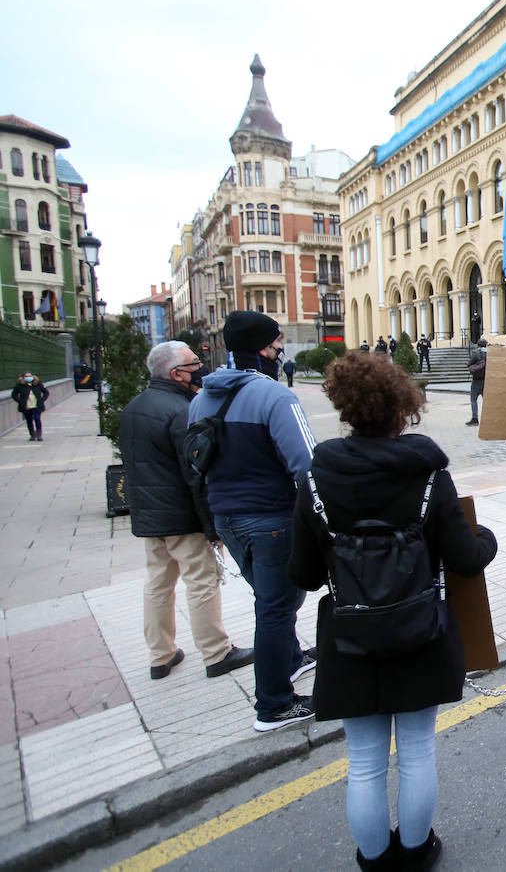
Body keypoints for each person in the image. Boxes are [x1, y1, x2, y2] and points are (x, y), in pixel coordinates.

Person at [290, 352, 497, 872]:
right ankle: (417, 850)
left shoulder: (316, 477)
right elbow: (467, 561)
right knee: (417, 751)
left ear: (344, 407)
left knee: (362, 764)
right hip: (418, 630)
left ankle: (375, 859)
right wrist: (486, 538)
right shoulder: (427, 473)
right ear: (401, 408)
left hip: (349, 634)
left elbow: (306, 575)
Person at [189, 310, 319, 732]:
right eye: (278, 344)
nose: (281, 352)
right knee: (277, 608)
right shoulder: (275, 396)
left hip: (227, 518)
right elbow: (307, 465)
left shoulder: (201, 397)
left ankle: (293, 660)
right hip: (272, 518)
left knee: (271, 599)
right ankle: (275, 705)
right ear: (265, 348)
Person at [120, 341, 254, 681]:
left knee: (158, 582)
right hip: (181, 514)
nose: (201, 366)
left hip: (149, 515)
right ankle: (216, 652)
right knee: (202, 580)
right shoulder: (182, 410)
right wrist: (212, 528)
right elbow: (194, 473)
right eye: (194, 362)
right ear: (177, 373)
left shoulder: (134, 407)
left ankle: (160, 655)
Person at [11, 372, 49, 441]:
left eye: (29, 376)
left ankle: (39, 434)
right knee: (29, 420)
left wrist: (42, 399)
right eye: (26, 376)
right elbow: (14, 394)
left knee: (37, 419)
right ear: (23, 378)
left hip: (36, 406)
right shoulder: (20, 385)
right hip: (26, 406)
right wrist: (20, 401)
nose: (28, 377)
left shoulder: (38, 384)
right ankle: (32, 435)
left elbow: (46, 392)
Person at [465, 338, 487, 426]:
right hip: (487, 379)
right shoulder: (490, 353)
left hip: (477, 379)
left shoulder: (475, 353)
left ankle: (475, 419)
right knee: (486, 401)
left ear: (478, 345)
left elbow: (469, 364)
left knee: (473, 400)